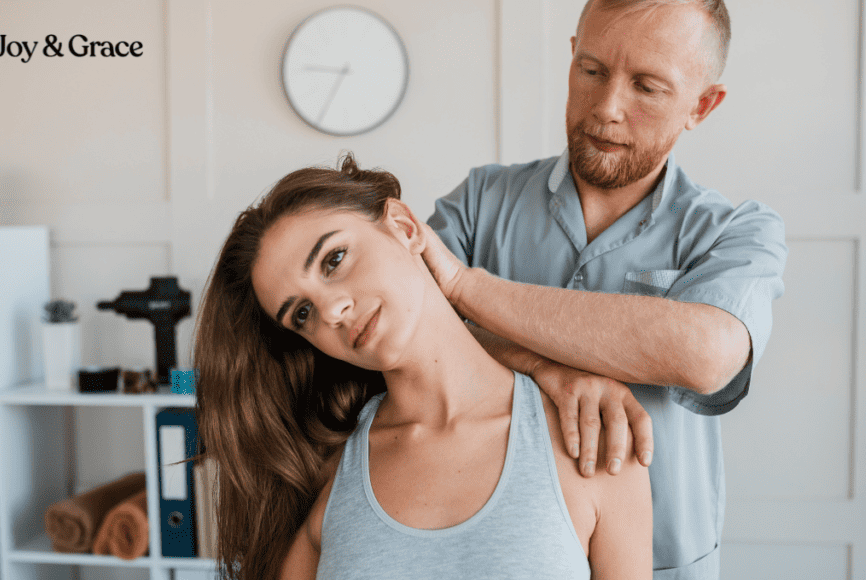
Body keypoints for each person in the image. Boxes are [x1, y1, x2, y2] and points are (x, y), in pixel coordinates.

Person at [423, 0, 788, 578]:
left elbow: (706, 355)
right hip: (488, 556)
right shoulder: (478, 202)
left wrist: (466, 290)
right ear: (571, 58)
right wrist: (544, 368)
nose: (606, 109)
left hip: (662, 561)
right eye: (591, 71)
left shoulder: (738, 232)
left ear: (702, 105)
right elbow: (401, 330)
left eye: (646, 86)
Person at [192, 155, 652, 580]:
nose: (332, 311)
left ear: (404, 227)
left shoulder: (590, 439)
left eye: (334, 259)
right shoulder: (331, 475)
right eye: (303, 315)